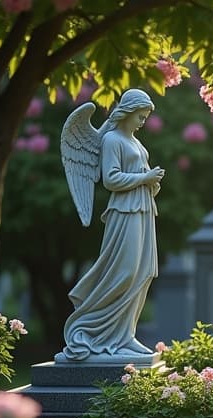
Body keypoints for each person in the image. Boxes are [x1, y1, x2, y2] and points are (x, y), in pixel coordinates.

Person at [55, 89, 165, 363]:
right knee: (125, 271)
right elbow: (111, 180)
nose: (142, 122)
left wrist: (152, 182)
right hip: (124, 211)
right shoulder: (112, 140)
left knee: (144, 271)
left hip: (143, 209)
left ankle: (126, 335)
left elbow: (141, 176)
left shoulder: (137, 144)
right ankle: (91, 328)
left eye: (145, 117)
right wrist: (144, 179)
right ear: (128, 112)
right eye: (140, 116)